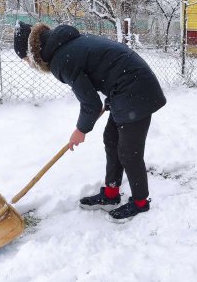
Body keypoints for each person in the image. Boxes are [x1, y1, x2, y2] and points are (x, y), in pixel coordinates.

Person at [14, 21, 166, 222]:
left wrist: (81, 129)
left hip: (136, 91)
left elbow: (91, 104)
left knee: (129, 152)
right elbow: (107, 66)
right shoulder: (66, 45)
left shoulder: (61, 60)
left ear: (33, 52)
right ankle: (111, 194)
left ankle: (140, 202)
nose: (29, 64)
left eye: (26, 60)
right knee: (111, 140)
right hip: (125, 89)